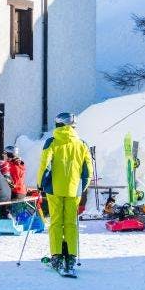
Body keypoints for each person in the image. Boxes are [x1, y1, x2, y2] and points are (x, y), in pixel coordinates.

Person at [38, 112, 93, 274]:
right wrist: (82, 186)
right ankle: (71, 256)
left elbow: (44, 164)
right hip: (74, 189)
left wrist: (41, 184)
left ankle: (56, 255)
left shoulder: (52, 142)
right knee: (70, 223)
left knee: (56, 222)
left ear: (58, 125)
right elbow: (88, 169)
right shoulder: (82, 144)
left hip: (54, 189)